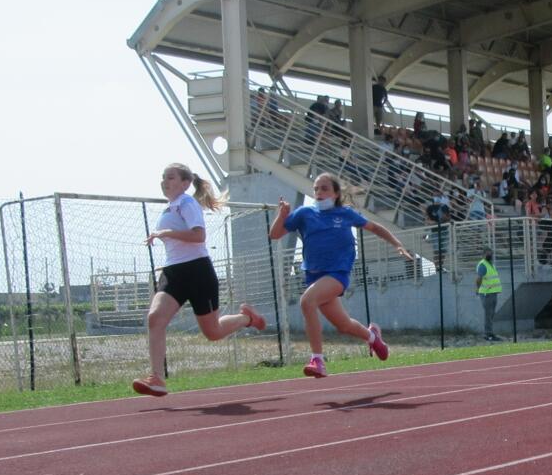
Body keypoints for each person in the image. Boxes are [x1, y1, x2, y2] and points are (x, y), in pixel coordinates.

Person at [132, 164, 266, 397]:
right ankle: (156, 378)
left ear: (185, 183)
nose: (164, 182)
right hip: (173, 272)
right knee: (155, 318)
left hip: (198, 272)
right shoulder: (168, 208)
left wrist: (167, 233)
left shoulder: (187, 203)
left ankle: (247, 318)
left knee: (213, 332)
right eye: (163, 178)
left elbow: (199, 235)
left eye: (170, 177)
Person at [269, 173, 411, 378]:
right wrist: (282, 215)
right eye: (316, 189)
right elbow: (274, 235)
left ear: (336, 193)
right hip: (314, 276)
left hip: (337, 274)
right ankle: (373, 337)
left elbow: (375, 227)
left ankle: (317, 360)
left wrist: (397, 244)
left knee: (307, 302)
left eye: (324, 188)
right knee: (343, 325)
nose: (319, 192)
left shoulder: (345, 214)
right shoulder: (304, 213)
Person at [474, 248, 502, 342]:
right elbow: (479, 278)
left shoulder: (491, 264)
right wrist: (477, 289)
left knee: (491, 314)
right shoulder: (483, 264)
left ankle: (489, 333)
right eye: (487, 253)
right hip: (487, 293)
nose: (490, 255)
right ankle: (488, 334)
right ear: (483, 254)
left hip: (493, 293)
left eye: (491, 253)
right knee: (488, 314)